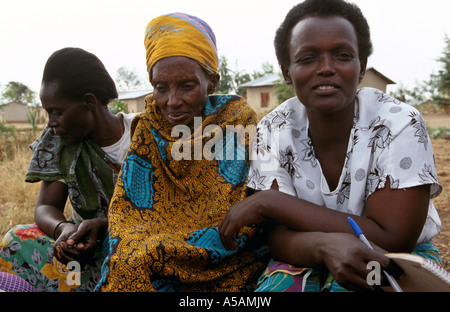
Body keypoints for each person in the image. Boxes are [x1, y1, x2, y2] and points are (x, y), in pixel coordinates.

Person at [218, 0, 443, 292]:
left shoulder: (398, 124)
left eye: (342, 55)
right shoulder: (273, 129)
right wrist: (324, 246)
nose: (325, 68)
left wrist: (269, 202)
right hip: (303, 252)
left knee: (371, 282)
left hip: (392, 260)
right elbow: (275, 237)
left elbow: (391, 241)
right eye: (307, 58)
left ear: (361, 67)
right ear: (287, 72)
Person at [95, 12, 268, 292]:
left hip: (226, 256)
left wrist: (163, 247)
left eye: (187, 87)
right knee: (127, 261)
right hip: (150, 248)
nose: (172, 102)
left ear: (212, 81)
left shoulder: (235, 119)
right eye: (160, 88)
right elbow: (128, 209)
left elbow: (236, 211)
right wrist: (142, 245)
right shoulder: (149, 123)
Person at [0, 47, 137, 292]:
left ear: (88, 102)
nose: (51, 122)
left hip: (133, 244)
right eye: (47, 112)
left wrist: (106, 226)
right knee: (16, 240)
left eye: (57, 112)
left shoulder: (140, 135)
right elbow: (46, 207)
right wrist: (65, 230)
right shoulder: (61, 142)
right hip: (84, 252)